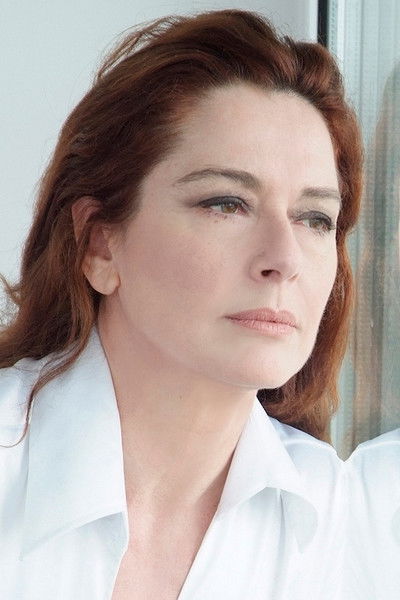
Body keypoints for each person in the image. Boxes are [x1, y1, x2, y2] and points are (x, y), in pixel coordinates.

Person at [0, 9, 362, 600]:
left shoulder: (335, 522)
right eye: (226, 204)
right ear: (99, 244)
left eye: (315, 218)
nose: (284, 258)